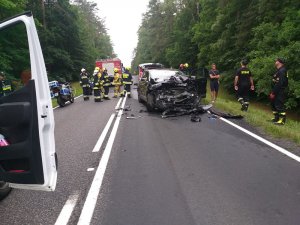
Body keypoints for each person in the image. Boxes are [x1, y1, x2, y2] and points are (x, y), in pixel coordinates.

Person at [269, 58, 288, 125]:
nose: (275, 62)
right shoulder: (278, 70)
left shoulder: (282, 70)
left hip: (279, 91)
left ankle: (282, 120)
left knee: (279, 105)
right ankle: (276, 118)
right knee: (273, 104)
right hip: (275, 90)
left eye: (276, 61)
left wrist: (274, 93)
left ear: (280, 62)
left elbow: (280, 83)